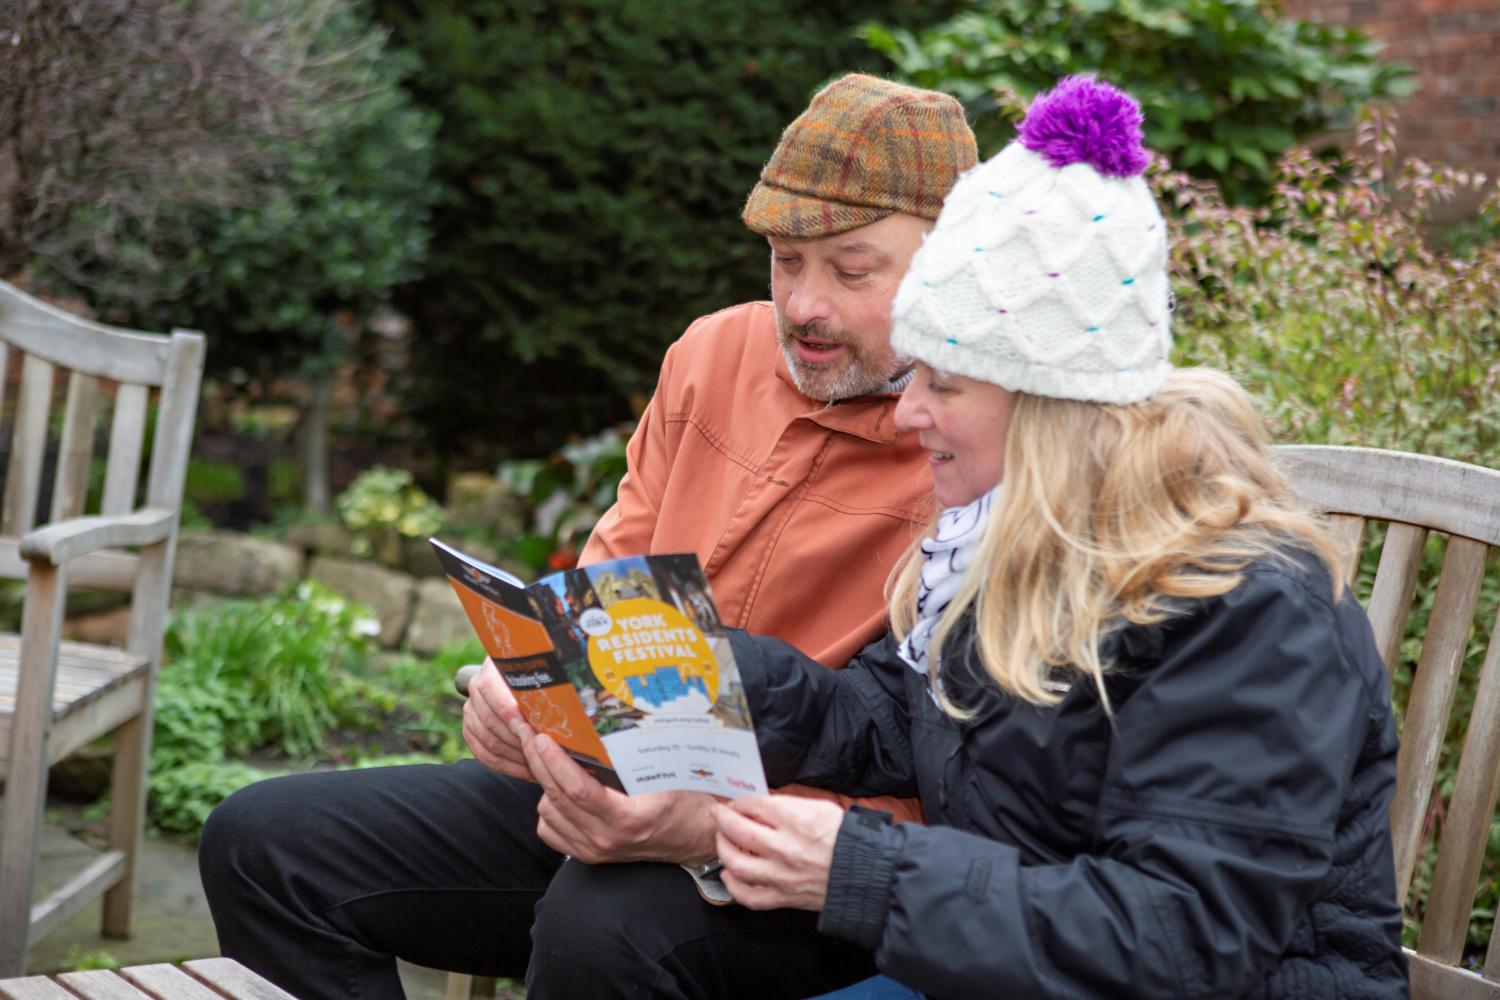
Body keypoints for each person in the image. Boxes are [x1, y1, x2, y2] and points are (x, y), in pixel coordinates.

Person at [197, 74, 978, 999]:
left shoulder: (973, 443)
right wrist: (521, 691)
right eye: (782, 259)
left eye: (851, 270)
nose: (803, 306)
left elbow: (940, 778)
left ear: (948, 269)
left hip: (796, 861)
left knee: (601, 929)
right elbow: (603, 590)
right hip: (601, 797)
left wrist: (710, 828)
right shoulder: (712, 354)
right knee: (260, 844)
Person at [680, 76, 1408, 998]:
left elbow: (1179, 936)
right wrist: (695, 669)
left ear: (1055, 409)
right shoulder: (1019, 533)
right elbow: (891, 722)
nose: (907, 413)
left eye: (943, 383)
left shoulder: (1248, 604)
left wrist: (861, 872)